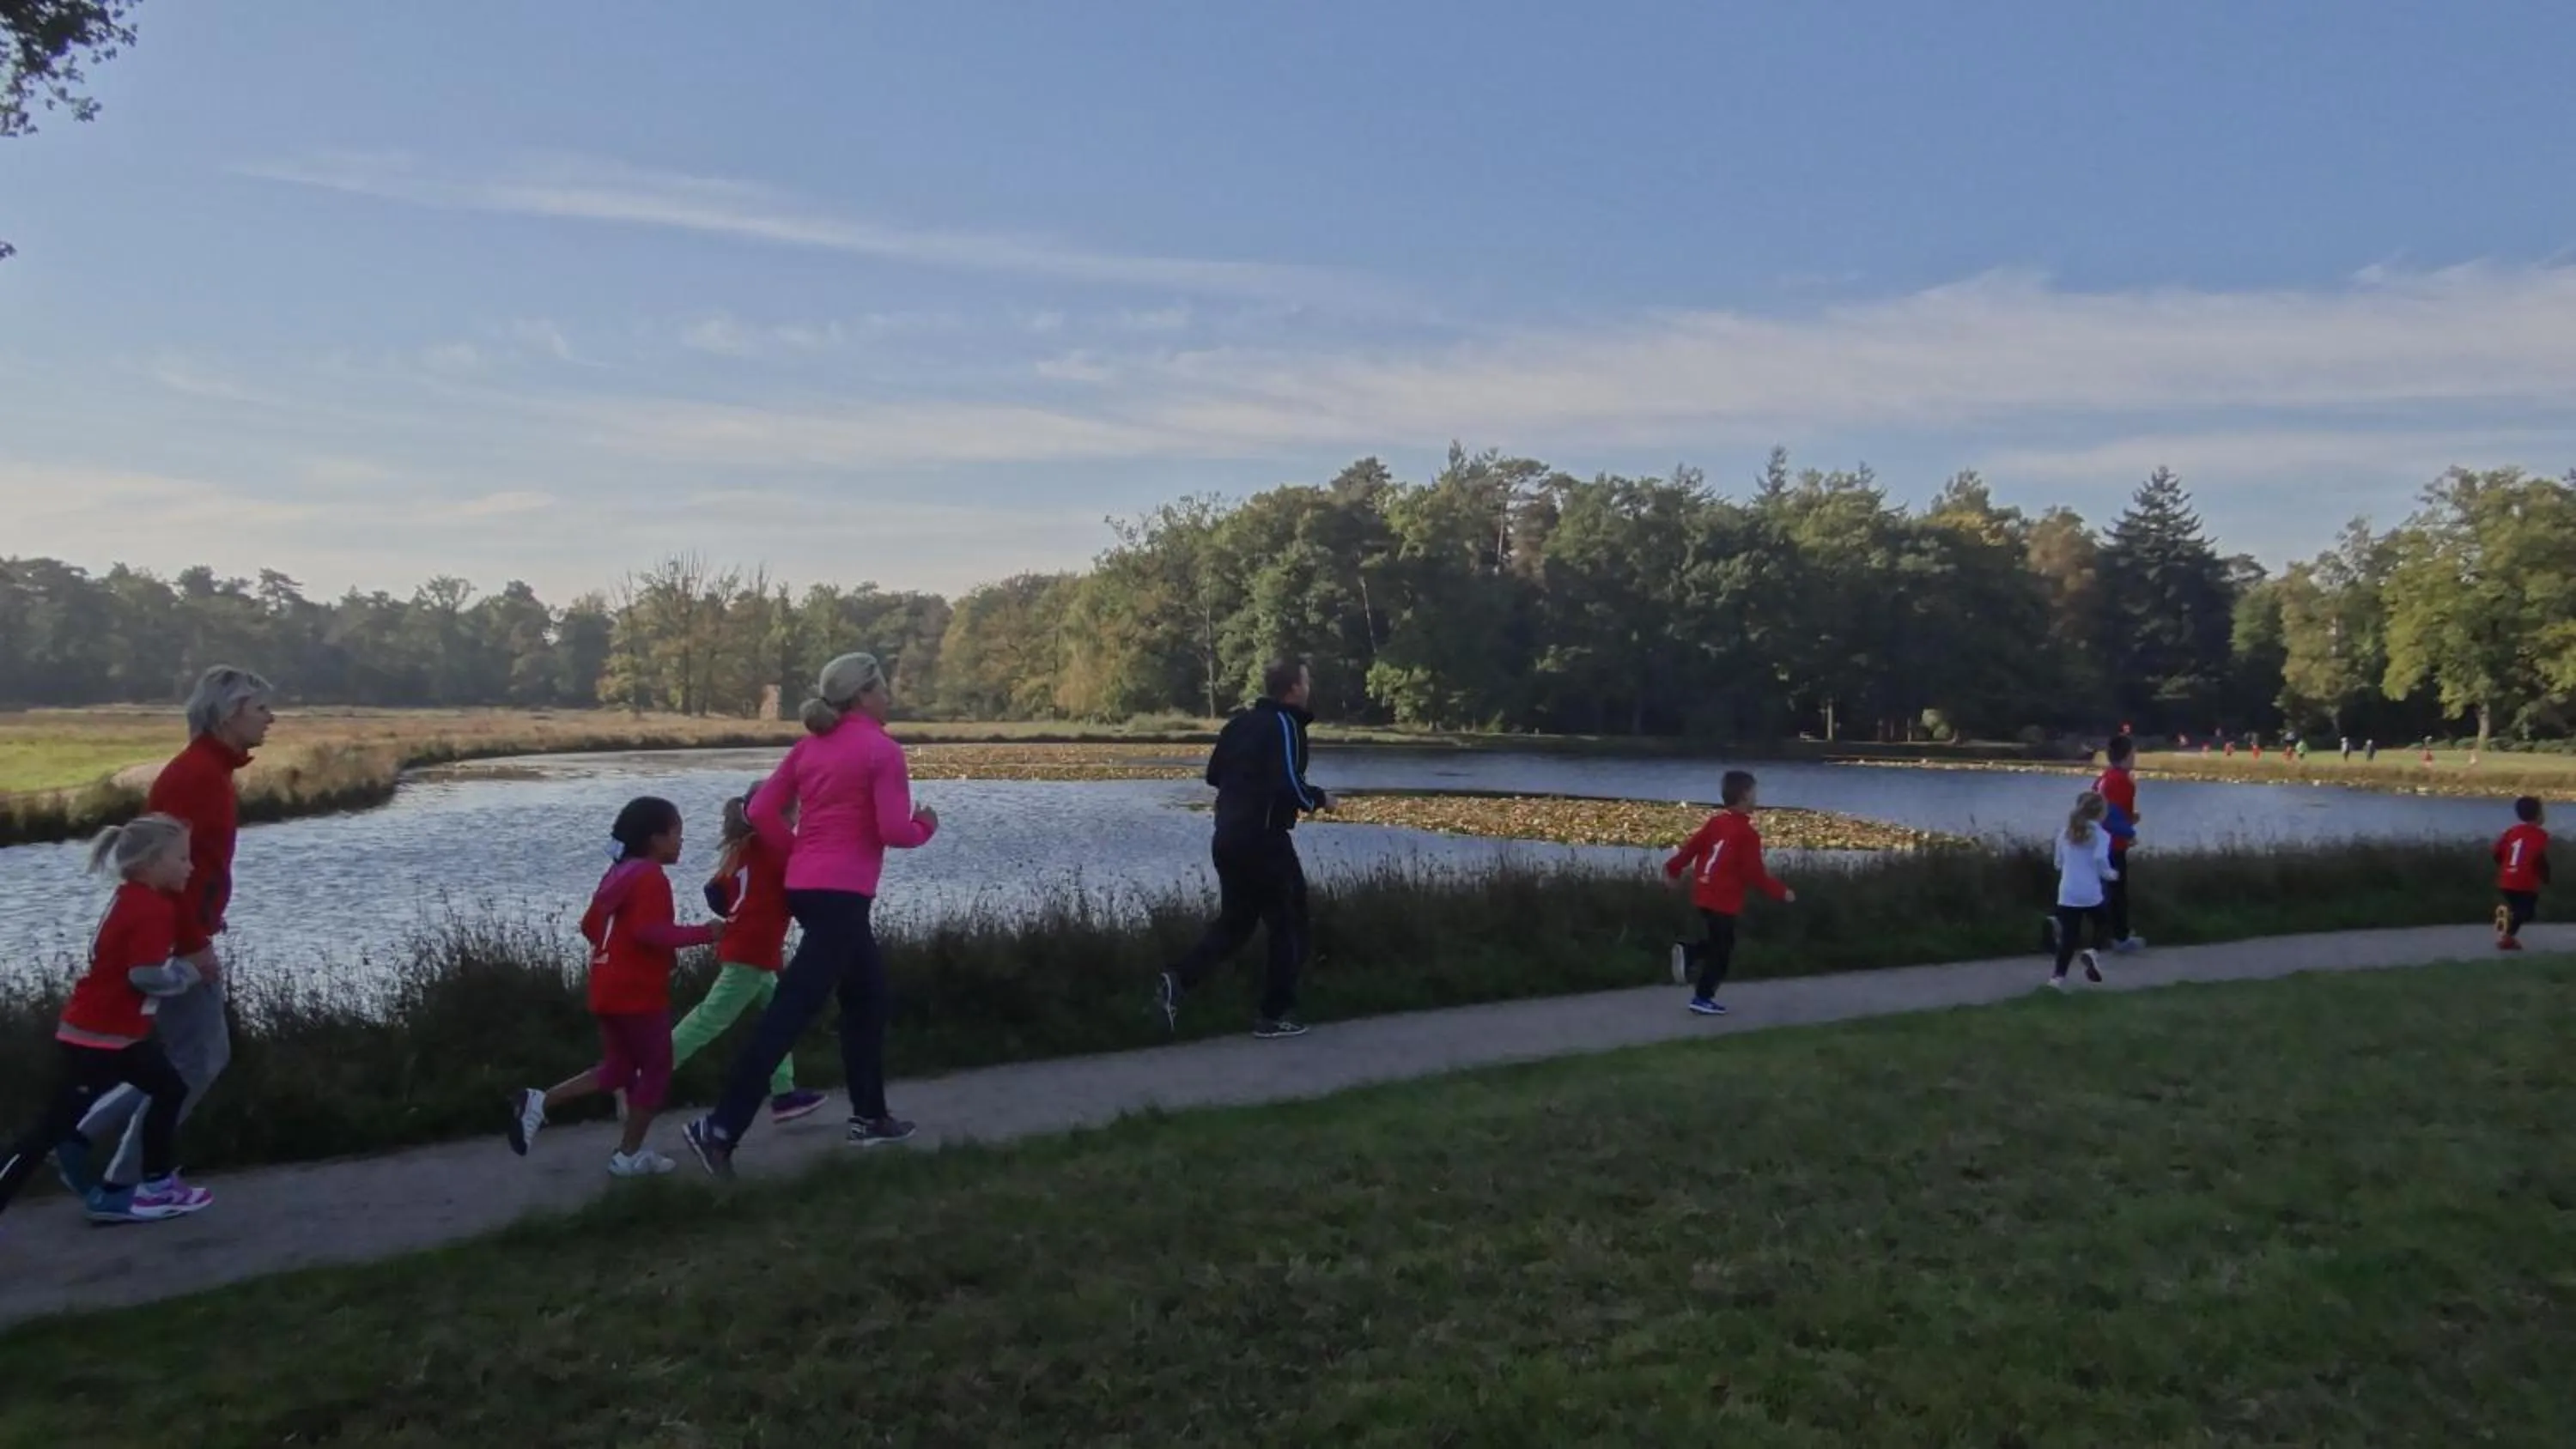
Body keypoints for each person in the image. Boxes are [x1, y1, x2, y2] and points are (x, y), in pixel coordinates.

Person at [683, 653, 937, 1178]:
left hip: (808, 889)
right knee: (790, 1013)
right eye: (882, 689)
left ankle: (870, 1117)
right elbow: (894, 831)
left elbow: (758, 811)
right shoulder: (882, 751)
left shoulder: (809, 748)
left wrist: (799, 850)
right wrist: (926, 826)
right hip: (842, 897)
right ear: (862, 696)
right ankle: (719, 1128)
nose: (888, 697)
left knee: (868, 998)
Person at [74, 665, 271, 1191]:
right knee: (200, 1059)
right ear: (229, 715)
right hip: (175, 941)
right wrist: (191, 944)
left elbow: (195, 866)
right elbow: (159, 868)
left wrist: (207, 914)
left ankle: (81, 1140)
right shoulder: (196, 776)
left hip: (182, 932)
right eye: (260, 709)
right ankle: (125, 1177)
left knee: (192, 1059)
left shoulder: (210, 771)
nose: (270, 719)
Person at [2, 815, 216, 1227]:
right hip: (96, 1039)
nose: (190, 867)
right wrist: (190, 972)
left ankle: (157, 1184)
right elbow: (144, 976)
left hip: (118, 1036)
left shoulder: (134, 897)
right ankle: (147, 1183)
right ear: (151, 863)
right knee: (50, 1129)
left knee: (170, 1088)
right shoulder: (151, 910)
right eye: (182, 858)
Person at [507, 797, 722, 1176]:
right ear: (655, 838)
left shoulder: (618, 873)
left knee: (620, 1068)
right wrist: (708, 932)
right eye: (677, 833)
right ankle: (628, 1155)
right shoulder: (652, 876)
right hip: (638, 992)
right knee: (656, 1070)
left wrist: (618, 953)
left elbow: (590, 926)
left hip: (606, 984)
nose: (681, 841)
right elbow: (650, 932)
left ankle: (539, 1102)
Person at [1154, 658, 1334, 1040]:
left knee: (1236, 924)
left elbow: (1214, 775)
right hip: (1265, 839)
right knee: (1289, 923)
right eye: (1306, 681)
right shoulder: (1285, 724)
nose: (1309, 687)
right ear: (1293, 689)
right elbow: (1289, 781)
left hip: (1227, 836)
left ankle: (1178, 980)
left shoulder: (1238, 725)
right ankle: (1274, 1015)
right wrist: (1319, 799)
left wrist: (1247, 786)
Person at [671, 783, 829, 1124]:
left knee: (779, 1017)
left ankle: (784, 1093)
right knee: (709, 1018)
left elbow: (715, 892)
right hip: (753, 951)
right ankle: (649, 1070)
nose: (799, 816)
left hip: (749, 945)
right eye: (796, 810)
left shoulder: (743, 846)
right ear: (780, 815)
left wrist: (745, 910)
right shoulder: (776, 847)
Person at [1662, 770, 1794, 1016]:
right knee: (1722, 952)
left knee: (1719, 943)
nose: (1757, 798)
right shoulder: (1747, 834)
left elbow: (1691, 849)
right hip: (1723, 898)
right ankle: (1702, 996)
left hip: (1703, 892)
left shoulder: (1716, 823)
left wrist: (1673, 869)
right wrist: (1781, 892)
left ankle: (1689, 953)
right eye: (1754, 793)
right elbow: (1754, 873)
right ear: (1744, 796)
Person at [2044, 793, 2118, 990]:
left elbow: (2058, 863)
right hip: (2090, 892)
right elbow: (2100, 860)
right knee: (2103, 923)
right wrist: (2111, 874)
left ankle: (2057, 979)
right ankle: (2092, 952)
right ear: (2100, 813)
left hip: (2068, 891)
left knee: (2069, 936)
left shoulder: (2065, 833)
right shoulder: (2101, 835)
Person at [2093, 732, 2145, 951]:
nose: (2135, 757)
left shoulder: (2104, 778)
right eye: (2133, 753)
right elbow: (2111, 814)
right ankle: (2120, 938)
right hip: (2113, 844)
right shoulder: (2123, 781)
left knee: (2105, 891)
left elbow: (2100, 809)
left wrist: (2129, 820)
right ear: (2127, 755)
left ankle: (2105, 934)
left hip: (2098, 842)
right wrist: (2128, 832)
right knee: (2117, 892)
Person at [2493, 797, 2550, 952]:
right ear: (2539, 815)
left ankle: (2508, 935)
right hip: (2525, 882)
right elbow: (2539, 858)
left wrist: (2506, 866)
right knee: (2526, 912)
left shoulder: (2511, 831)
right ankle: (2506, 935)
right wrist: (2545, 876)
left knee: (2519, 909)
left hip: (2506, 879)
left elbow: (2497, 852)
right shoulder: (2541, 835)